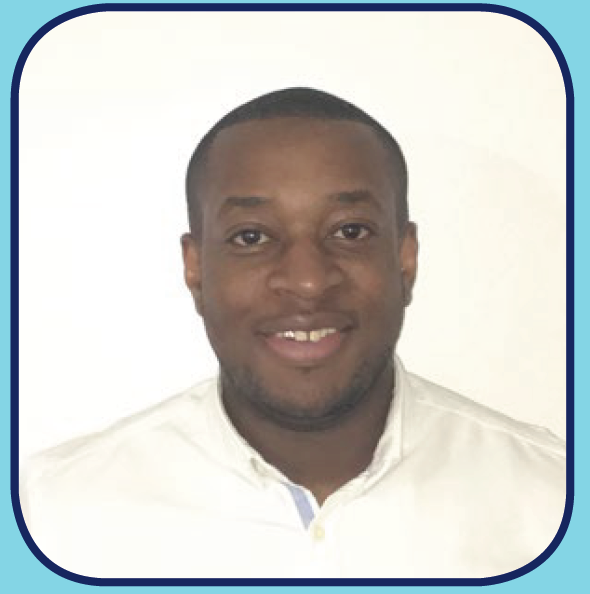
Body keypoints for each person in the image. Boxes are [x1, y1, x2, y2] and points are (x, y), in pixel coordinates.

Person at [20, 88, 566, 579]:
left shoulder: (553, 500)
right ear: (196, 268)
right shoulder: (50, 519)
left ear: (405, 259)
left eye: (350, 231)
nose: (307, 281)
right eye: (251, 237)